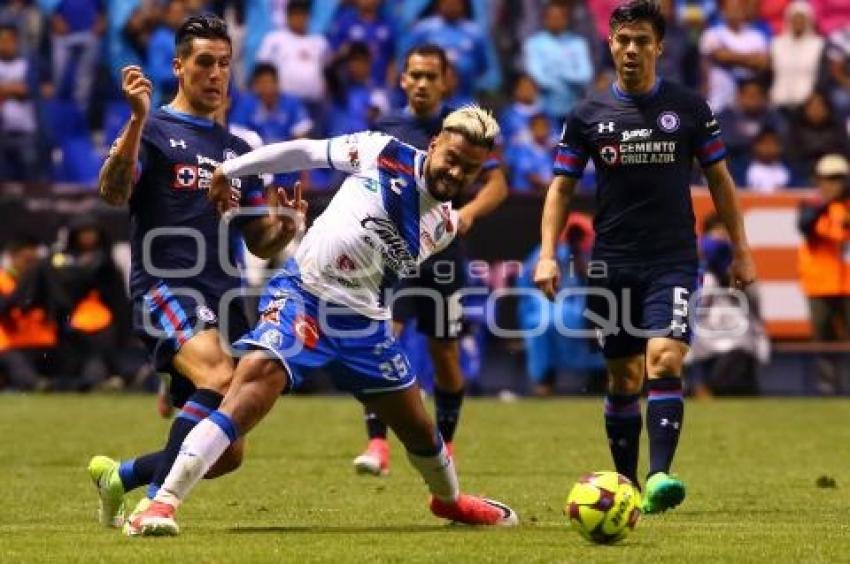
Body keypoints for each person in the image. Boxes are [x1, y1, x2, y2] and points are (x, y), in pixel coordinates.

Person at [127, 105, 519, 536]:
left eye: (470, 169)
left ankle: (450, 502)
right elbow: (304, 152)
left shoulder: (442, 226)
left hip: (363, 325)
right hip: (305, 296)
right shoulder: (381, 151)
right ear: (434, 145)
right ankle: (161, 505)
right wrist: (230, 168)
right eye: (452, 158)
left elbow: (378, 273)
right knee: (249, 393)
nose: (457, 172)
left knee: (421, 430)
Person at [534, 0, 756, 514]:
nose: (631, 50)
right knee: (623, 378)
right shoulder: (587, 115)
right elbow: (561, 190)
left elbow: (720, 180)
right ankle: (625, 484)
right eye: (623, 41)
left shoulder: (691, 109)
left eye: (641, 41)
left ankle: (659, 476)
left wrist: (742, 250)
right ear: (610, 45)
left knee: (665, 357)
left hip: (672, 258)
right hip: (611, 262)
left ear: (659, 47)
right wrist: (547, 254)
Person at [87, 14, 297, 535]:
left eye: (225, 64)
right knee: (222, 379)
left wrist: (286, 229)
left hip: (223, 296)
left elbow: (258, 240)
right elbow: (113, 191)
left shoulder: (239, 150)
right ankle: (154, 506)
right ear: (179, 67)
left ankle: (123, 475)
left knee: (226, 453)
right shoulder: (154, 128)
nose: (216, 74)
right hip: (166, 286)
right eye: (205, 62)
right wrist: (135, 121)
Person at [351, 44, 508, 476]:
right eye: (414, 75)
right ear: (402, 79)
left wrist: (467, 213)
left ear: (445, 82)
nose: (421, 83)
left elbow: (498, 184)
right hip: (392, 255)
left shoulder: (463, 129)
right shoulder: (386, 127)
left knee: (445, 355)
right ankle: (377, 444)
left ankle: (447, 443)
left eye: (430, 76)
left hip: (442, 257)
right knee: (383, 340)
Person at [797, 154, 850, 394]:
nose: (832, 183)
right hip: (819, 284)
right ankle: (827, 388)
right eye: (827, 178)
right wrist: (827, 201)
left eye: (837, 178)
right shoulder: (811, 205)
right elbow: (805, 226)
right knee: (823, 339)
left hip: (848, 283)